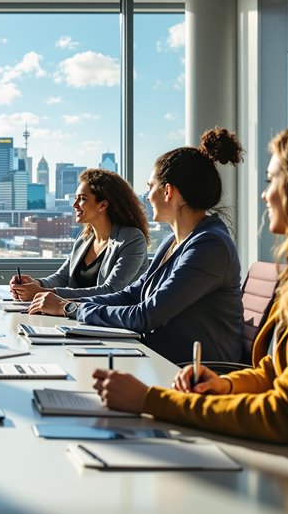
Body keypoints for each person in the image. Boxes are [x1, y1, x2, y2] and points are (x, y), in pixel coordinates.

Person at [93, 114, 288, 478]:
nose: (265, 194)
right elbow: (279, 371)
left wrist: (149, 400)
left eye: (271, 181)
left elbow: (287, 415)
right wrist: (224, 384)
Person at [29, 128, 245, 363]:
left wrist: (70, 309)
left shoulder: (209, 247)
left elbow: (146, 315)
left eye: (150, 186)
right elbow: (133, 294)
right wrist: (66, 304)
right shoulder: (172, 242)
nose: (148, 194)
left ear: (168, 191)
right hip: (157, 356)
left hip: (192, 371)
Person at [10, 168, 148, 300]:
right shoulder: (84, 238)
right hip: (77, 316)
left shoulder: (132, 239)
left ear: (102, 205)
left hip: (113, 319)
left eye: (82, 199)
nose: (74, 204)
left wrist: (43, 293)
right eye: (75, 198)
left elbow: (110, 290)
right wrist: (35, 284)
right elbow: (63, 277)